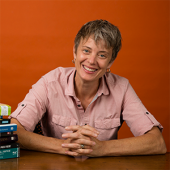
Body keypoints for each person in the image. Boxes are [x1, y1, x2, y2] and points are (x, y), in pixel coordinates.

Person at [10, 19, 167, 157]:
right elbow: (13, 131)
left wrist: (101, 148)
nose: (91, 61)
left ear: (110, 62)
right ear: (75, 52)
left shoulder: (122, 87)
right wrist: (65, 147)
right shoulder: (49, 82)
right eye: (86, 51)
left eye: (102, 55)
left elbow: (157, 142)